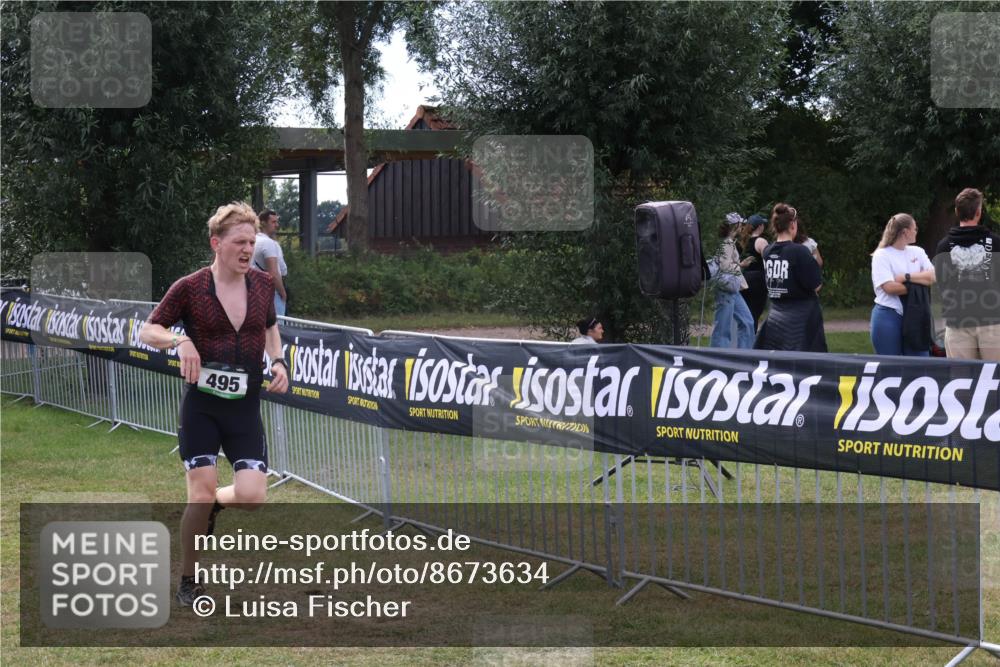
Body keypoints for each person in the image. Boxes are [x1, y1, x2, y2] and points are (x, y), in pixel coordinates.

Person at [140, 202, 290, 606]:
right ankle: (189, 580)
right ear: (216, 243)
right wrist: (180, 340)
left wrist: (277, 360)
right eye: (239, 241)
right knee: (199, 494)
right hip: (202, 406)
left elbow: (271, 327)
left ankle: (212, 507)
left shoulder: (260, 285)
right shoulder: (190, 287)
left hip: (244, 408)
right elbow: (148, 329)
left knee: (253, 497)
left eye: (251, 242)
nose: (247, 249)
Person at [934, 187, 1000, 360]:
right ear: (979, 212)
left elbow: (941, 285)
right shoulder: (996, 244)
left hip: (958, 323)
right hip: (992, 322)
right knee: (995, 379)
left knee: (961, 381)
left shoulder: (943, 246)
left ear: (956, 212)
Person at [754, 203, 827, 352]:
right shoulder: (799, 251)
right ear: (793, 225)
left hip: (775, 317)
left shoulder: (768, 252)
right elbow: (816, 285)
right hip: (800, 320)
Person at [869, 213, 936, 356]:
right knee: (890, 369)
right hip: (888, 315)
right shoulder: (882, 255)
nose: (916, 231)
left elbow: (933, 277)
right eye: (915, 228)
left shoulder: (917, 252)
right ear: (905, 232)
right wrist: (920, 285)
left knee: (919, 367)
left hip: (916, 315)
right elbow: (889, 288)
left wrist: (906, 277)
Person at [710, 213, 755, 348]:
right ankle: (718, 359)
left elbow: (727, 263)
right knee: (723, 327)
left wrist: (739, 264)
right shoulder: (726, 244)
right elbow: (725, 267)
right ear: (736, 226)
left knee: (747, 322)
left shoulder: (729, 243)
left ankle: (744, 357)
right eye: (741, 224)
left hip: (733, 288)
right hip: (726, 289)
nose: (742, 227)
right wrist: (741, 265)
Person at [253, 208, 289, 317]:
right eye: (273, 222)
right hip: (271, 292)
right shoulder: (268, 243)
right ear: (263, 223)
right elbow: (274, 274)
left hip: (254, 291)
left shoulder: (251, 240)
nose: (276, 225)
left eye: (277, 222)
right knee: (278, 329)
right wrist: (283, 294)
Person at [738, 213, 769, 331]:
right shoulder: (761, 241)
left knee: (746, 313)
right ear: (760, 226)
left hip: (744, 278)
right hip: (758, 280)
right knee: (755, 313)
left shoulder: (743, 241)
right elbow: (768, 261)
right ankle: (751, 341)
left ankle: (746, 340)